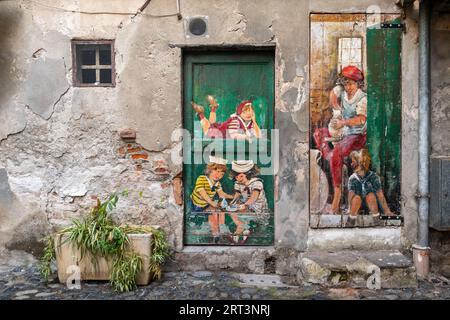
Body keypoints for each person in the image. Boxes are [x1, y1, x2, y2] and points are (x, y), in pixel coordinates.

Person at [313, 65, 367, 214]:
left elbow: (361, 119)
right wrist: (337, 108)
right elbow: (332, 94)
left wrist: (343, 122)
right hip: (344, 133)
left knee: (337, 153)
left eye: (351, 83)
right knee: (318, 133)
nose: (348, 87)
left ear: (358, 84)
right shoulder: (342, 91)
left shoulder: (362, 98)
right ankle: (329, 157)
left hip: (357, 135)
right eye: (346, 83)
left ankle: (337, 195)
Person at [190, 156, 234, 242]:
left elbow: (222, 194)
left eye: (222, 174)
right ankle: (215, 233)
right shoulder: (201, 179)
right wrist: (212, 202)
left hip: (205, 205)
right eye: (217, 172)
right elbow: (203, 193)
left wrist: (233, 196)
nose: (219, 175)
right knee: (214, 210)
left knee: (220, 210)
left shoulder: (217, 184)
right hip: (195, 205)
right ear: (210, 170)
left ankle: (218, 233)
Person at [346, 149, 395, 226]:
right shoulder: (352, 178)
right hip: (357, 206)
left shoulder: (373, 177)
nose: (352, 164)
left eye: (354, 162)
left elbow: (380, 194)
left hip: (371, 205)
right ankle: (351, 221)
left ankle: (376, 219)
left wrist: (387, 211)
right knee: (356, 198)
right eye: (352, 162)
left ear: (362, 163)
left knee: (371, 195)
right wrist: (349, 208)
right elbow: (350, 194)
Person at [191, 96, 261, 140]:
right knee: (208, 130)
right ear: (240, 112)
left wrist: (254, 121)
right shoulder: (235, 121)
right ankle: (202, 114)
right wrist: (246, 137)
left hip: (222, 132)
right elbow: (233, 135)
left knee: (211, 124)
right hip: (219, 132)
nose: (249, 113)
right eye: (245, 111)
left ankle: (211, 108)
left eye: (251, 111)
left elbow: (258, 136)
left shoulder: (250, 123)